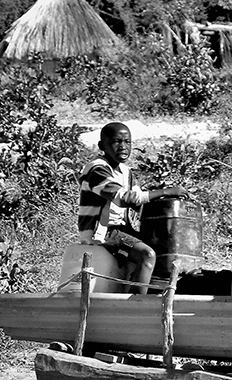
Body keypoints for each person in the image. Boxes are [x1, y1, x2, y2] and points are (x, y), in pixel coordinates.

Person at [78, 122, 189, 295]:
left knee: (162, 249)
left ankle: (147, 291)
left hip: (120, 229)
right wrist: (166, 191)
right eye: (116, 142)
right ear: (102, 146)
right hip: (102, 232)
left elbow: (139, 199)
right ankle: (137, 303)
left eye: (127, 142)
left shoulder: (126, 172)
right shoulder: (97, 169)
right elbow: (125, 199)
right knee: (147, 255)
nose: (123, 146)